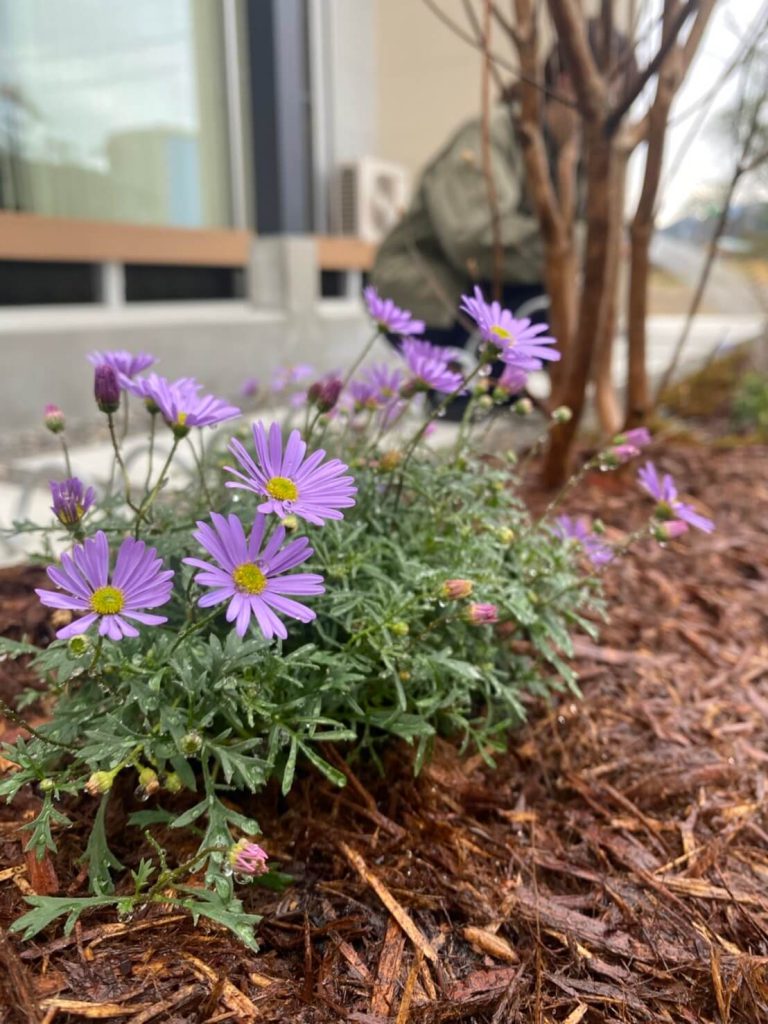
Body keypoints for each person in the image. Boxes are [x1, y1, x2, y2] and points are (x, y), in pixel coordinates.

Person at [370, 23, 637, 400]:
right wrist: (588, 240)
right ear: (567, 83)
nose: (616, 119)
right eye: (613, 100)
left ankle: (492, 388)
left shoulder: (577, 159)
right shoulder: (494, 134)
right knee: (474, 397)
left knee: (561, 320)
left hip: (487, 296)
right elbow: (476, 240)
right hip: (424, 291)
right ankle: (461, 386)